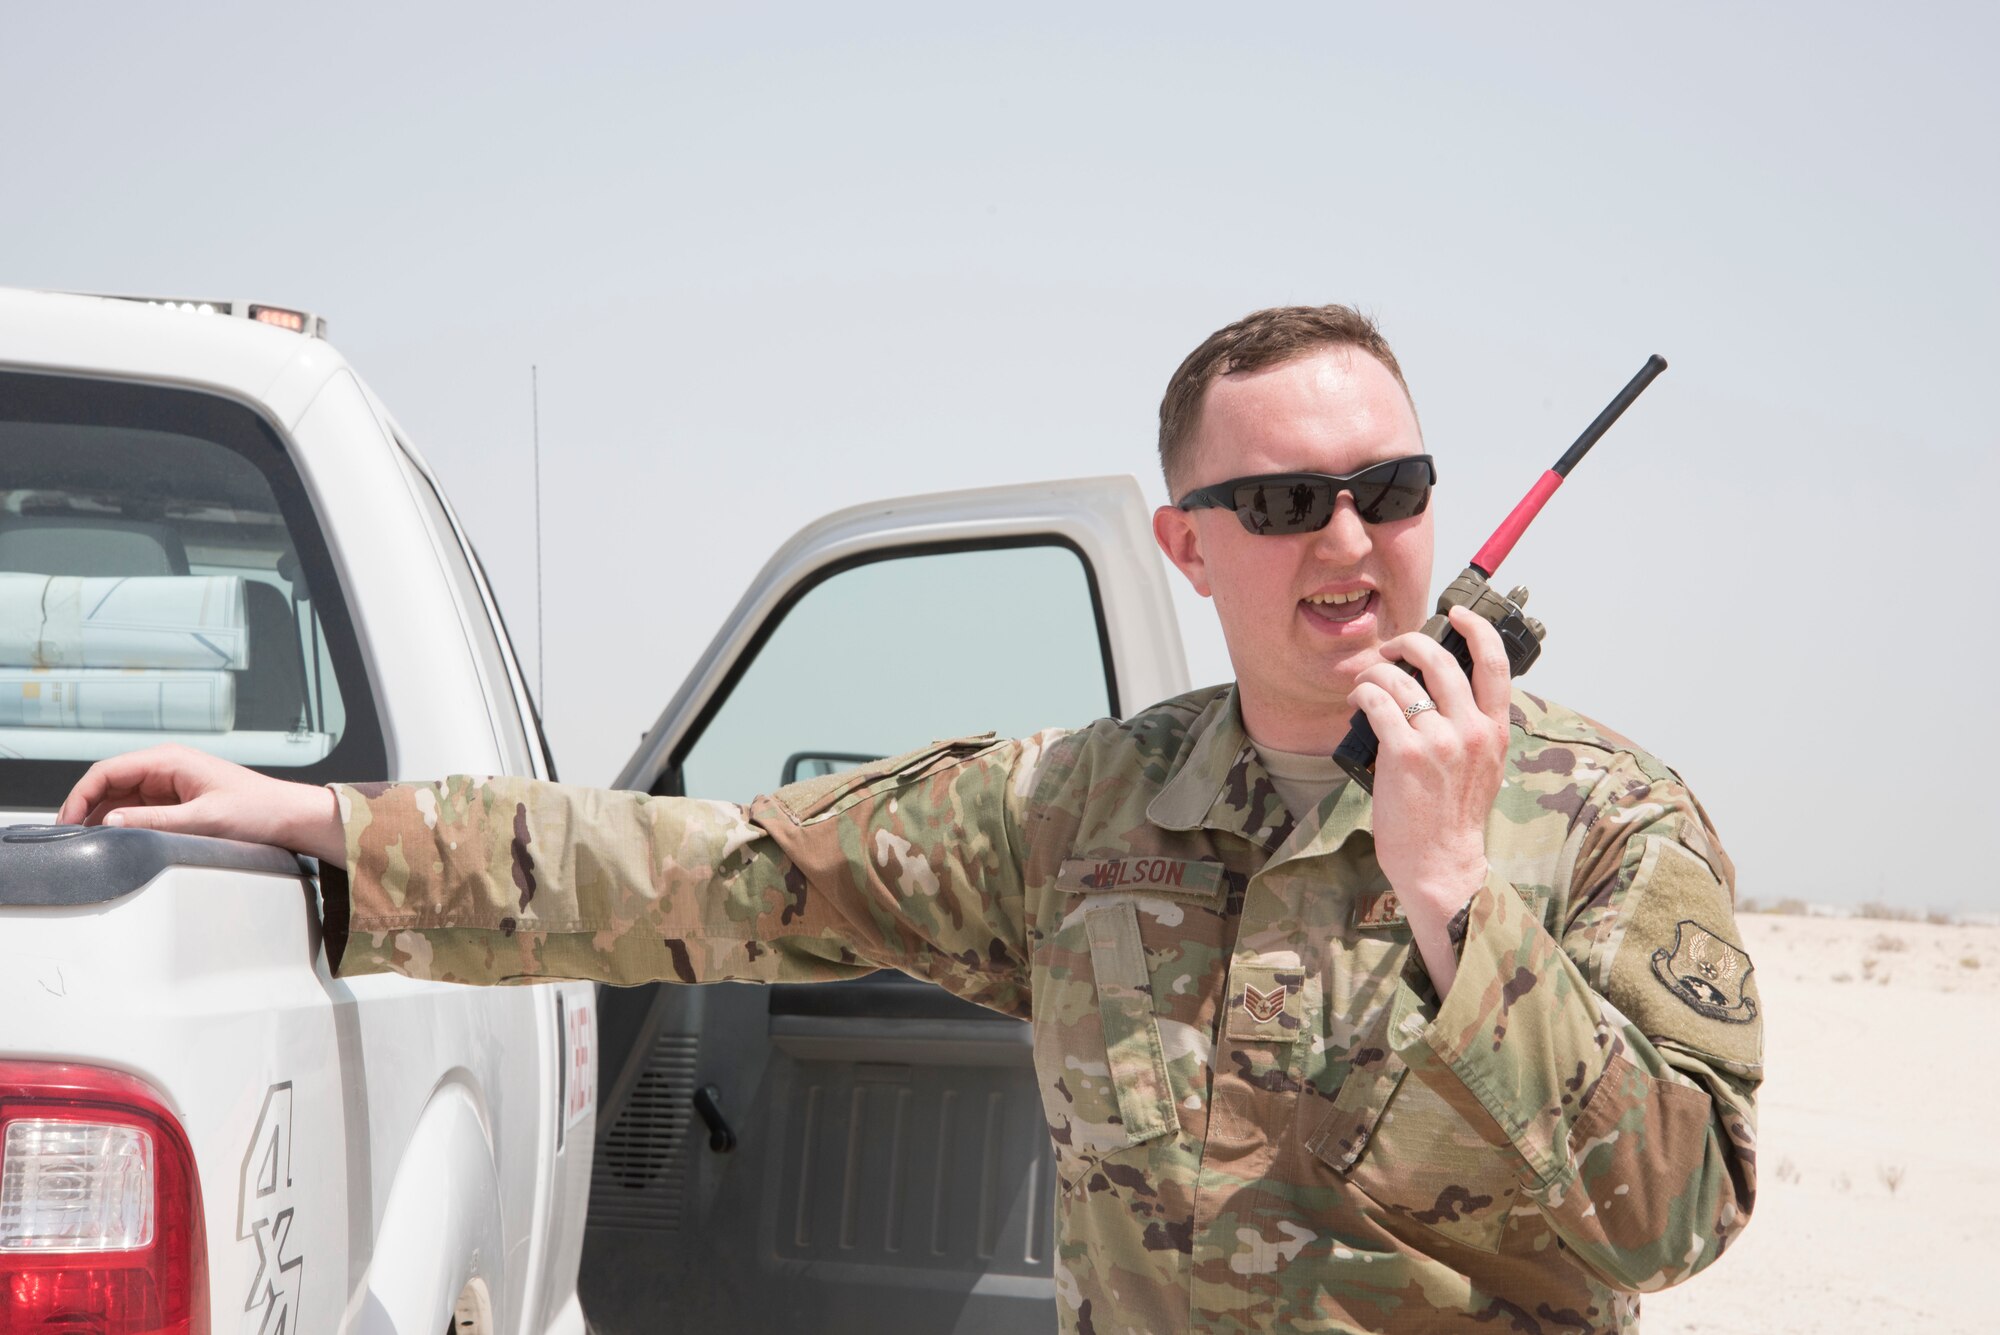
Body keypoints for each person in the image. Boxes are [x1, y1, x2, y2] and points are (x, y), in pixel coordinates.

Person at [62, 304, 1759, 1333]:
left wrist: (1457, 896)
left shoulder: (1602, 822)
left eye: (1387, 491)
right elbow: (707, 872)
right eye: (1282, 501)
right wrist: (329, 825)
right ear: (1188, 545)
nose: (1347, 540)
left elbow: (1673, 1221)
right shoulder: (1077, 808)